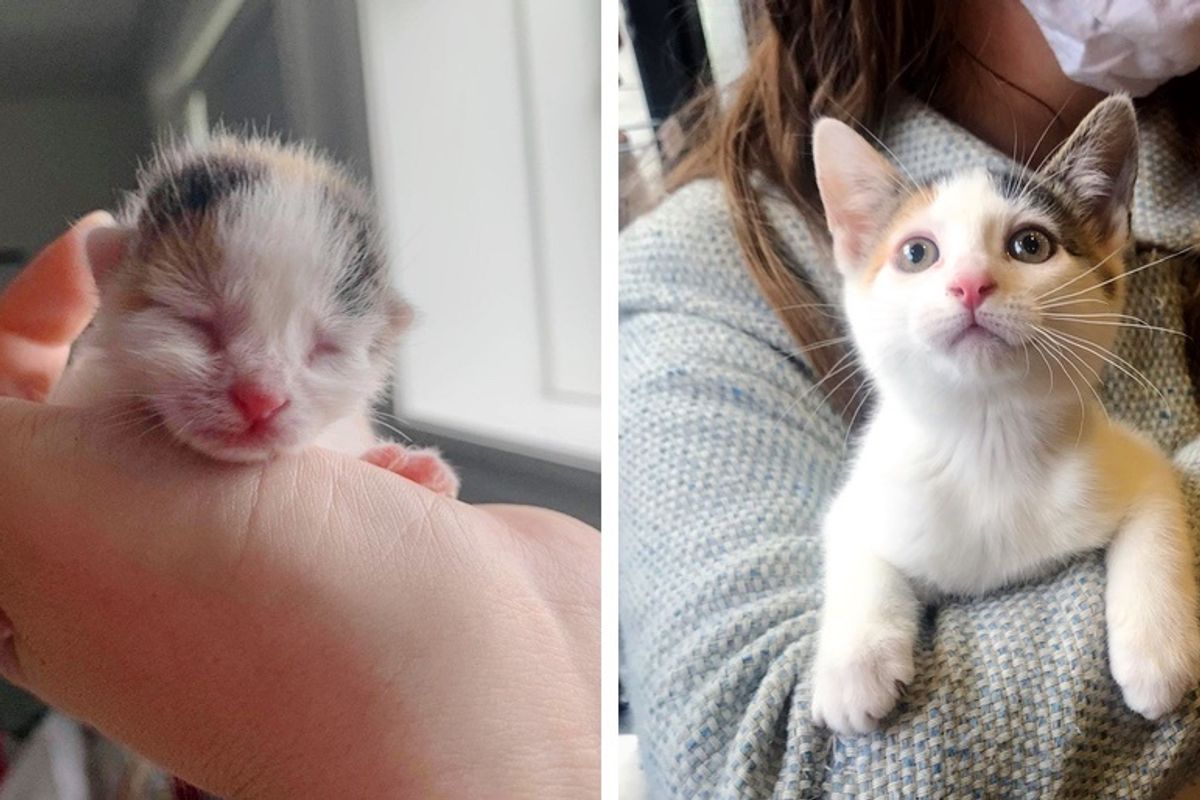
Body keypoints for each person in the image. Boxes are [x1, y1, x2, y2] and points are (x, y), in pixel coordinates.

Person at [619, 0, 1200, 796]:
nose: (969, 282)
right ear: (852, 245)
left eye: (1028, 243)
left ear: (1106, 224)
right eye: (919, 252)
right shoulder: (697, 271)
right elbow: (764, 766)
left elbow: (1146, 492)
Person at [0, 211, 599, 797]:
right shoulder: (75, 413)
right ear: (111, 275)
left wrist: (381, 502)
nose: (262, 396)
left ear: (382, 341)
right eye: (197, 324)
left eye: (327, 350)